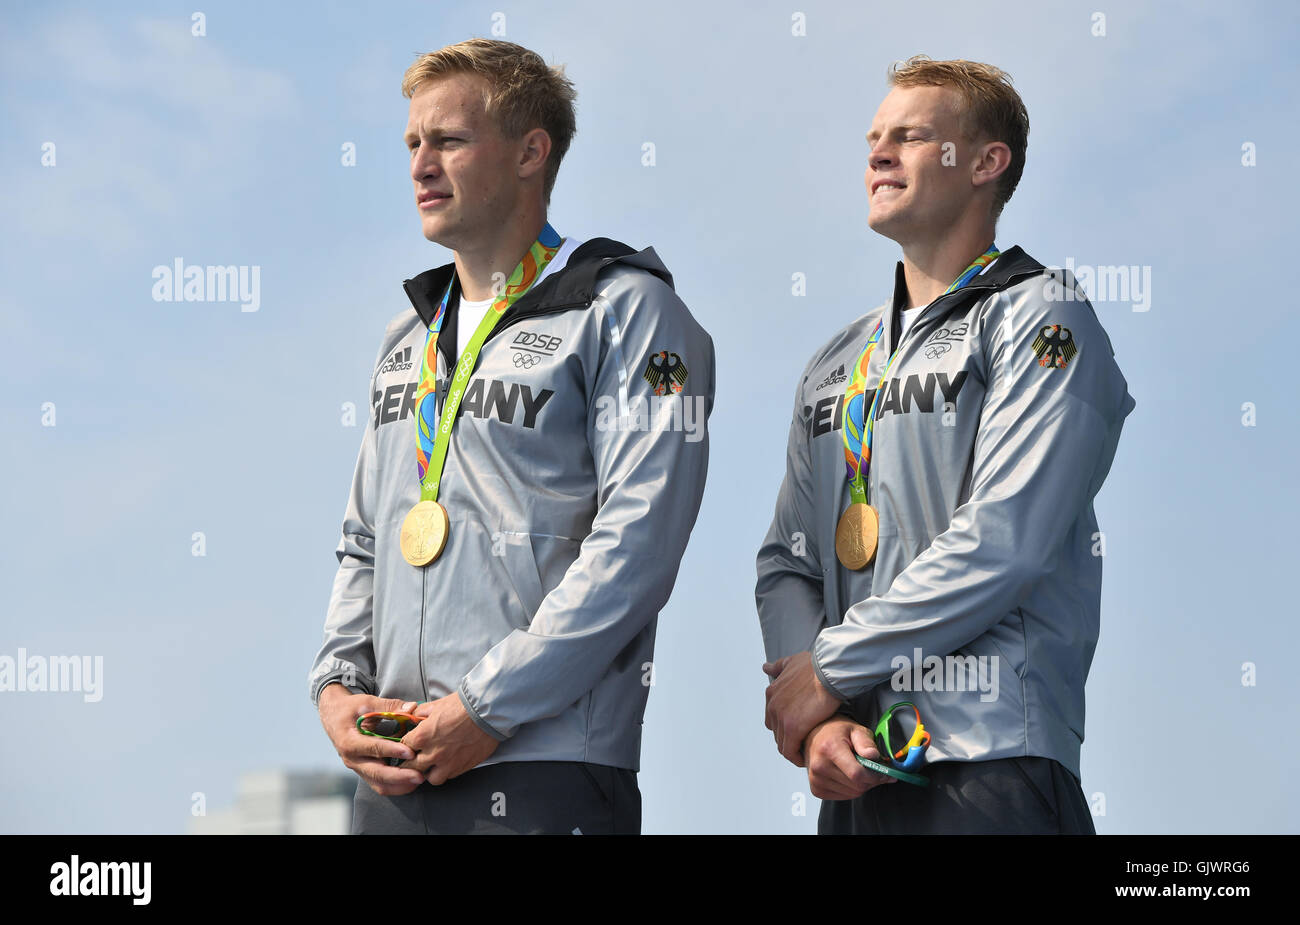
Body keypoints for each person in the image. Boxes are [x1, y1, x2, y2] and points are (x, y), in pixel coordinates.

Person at [309, 38, 714, 835]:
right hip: (391, 776)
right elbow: (365, 541)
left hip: (546, 769)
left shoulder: (627, 310)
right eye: (413, 144)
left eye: (450, 141)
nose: (422, 164)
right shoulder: (407, 337)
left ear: (533, 152)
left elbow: (637, 545)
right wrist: (333, 688)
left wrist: (485, 708)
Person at [755, 55, 1135, 834]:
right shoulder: (836, 359)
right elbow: (788, 560)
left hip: (992, 768)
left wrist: (829, 669)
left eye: (913, 136)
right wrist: (818, 716)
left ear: (986, 164)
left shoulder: (1043, 313)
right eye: (874, 138)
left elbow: (1004, 540)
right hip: (859, 771)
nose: (879, 153)